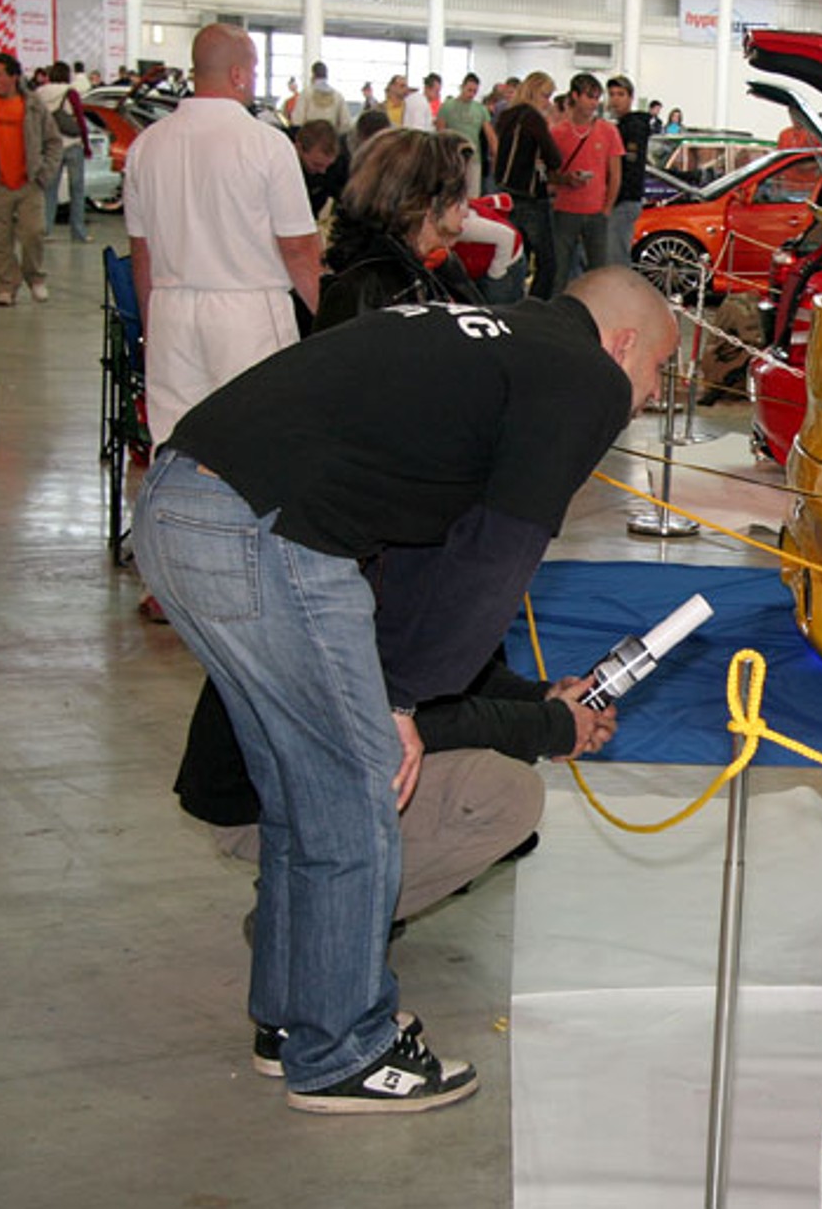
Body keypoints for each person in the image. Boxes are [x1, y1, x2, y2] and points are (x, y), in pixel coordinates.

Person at [129, 266, 679, 1114]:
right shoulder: (584, 376)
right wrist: (403, 698)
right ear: (625, 343)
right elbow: (497, 555)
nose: (650, 397)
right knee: (361, 792)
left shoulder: (496, 340)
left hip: (182, 505)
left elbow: (430, 555)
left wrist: (409, 687)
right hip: (259, 528)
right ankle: (343, 1051)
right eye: (657, 372)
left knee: (309, 795)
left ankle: (297, 1018)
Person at [177, 654, 613, 936]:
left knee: (499, 773)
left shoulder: (425, 556)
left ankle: (325, 897)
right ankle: (307, 924)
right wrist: (548, 724)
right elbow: (401, 724)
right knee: (506, 794)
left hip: (288, 779)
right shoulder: (394, 567)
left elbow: (455, 670)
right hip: (262, 806)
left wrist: (541, 701)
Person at [123, 24, 322, 443]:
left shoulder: (145, 146)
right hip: (248, 311)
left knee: (175, 441)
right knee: (257, 440)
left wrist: (151, 327)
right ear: (238, 74)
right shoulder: (267, 144)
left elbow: (141, 252)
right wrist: (326, 319)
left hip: (170, 309)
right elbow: (298, 248)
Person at [316, 128, 479, 330]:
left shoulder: (439, 266)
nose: (465, 211)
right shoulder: (365, 288)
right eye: (458, 197)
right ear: (425, 201)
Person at [0, 51, 64, 307]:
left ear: (14, 77)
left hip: (29, 182)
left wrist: (45, 173)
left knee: (33, 233)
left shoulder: (33, 105)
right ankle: (6, 285)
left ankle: (35, 277)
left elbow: (53, 141)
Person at [548, 73, 625, 285]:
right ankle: (558, 303)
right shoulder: (558, 133)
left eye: (597, 98)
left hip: (596, 211)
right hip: (565, 210)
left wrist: (607, 208)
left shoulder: (608, 131)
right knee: (559, 270)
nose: (594, 103)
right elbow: (550, 174)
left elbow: (615, 174)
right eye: (589, 97)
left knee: (598, 272)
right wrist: (566, 180)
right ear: (575, 96)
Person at [493, 71, 564, 297]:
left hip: (506, 193)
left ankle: (512, 302)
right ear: (534, 92)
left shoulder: (506, 116)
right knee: (547, 263)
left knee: (515, 258)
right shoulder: (533, 118)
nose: (548, 102)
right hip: (530, 196)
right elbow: (554, 158)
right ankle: (536, 306)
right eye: (546, 96)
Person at [38, 61, 92, 243]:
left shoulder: (40, 93)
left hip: (51, 147)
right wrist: (87, 146)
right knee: (77, 191)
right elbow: (80, 120)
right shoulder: (70, 92)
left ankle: (45, 230)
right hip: (73, 145)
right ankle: (78, 232)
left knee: (49, 190)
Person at [605, 74, 650, 267]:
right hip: (618, 199)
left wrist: (614, 197)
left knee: (616, 256)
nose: (615, 99)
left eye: (620, 94)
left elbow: (630, 167)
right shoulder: (618, 127)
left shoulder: (633, 128)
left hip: (624, 199)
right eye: (612, 94)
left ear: (630, 98)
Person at [436, 72, 496, 198]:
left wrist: (495, 154)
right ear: (462, 87)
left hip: (473, 158)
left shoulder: (481, 109)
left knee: (473, 196)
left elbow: (490, 135)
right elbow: (440, 133)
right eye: (469, 90)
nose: (471, 94)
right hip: (452, 158)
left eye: (475, 91)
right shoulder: (447, 106)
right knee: (451, 195)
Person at [293, 119, 350, 220]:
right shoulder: (279, 166)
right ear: (299, 148)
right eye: (316, 165)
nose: (323, 171)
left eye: (328, 166)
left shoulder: (338, 165)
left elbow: (347, 198)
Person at [294, 61, 353, 137]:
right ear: (327, 75)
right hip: (330, 139)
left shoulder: (306, 94)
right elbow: (346, 123)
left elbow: (297, 120)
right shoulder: (338, 96)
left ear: (313, 75)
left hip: (310, 139)